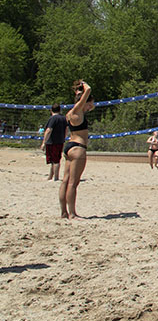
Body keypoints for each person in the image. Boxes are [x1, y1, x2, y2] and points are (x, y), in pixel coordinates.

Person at [59, 80, 95, 219]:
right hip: (78, 148)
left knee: (65, 181)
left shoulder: (70, 113)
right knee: (73, 183)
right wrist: (84, 84)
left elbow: (89, 106)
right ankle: (73, 213)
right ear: (83, 101)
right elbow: (89, 90)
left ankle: (64, 212)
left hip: (69, 146)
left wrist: (78, 92)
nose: (91, 106)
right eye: (89, 103)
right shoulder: (78, 110)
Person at [41, 103, 67, 181]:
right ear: (60, 110)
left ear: (51, 110)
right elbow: (66, 130)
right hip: (60, 141)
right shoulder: (64, 118)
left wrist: (44, 142)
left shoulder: (53, 118)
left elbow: (49, 130)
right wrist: (64, 138)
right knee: (54, 160)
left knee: (55, 160)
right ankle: (50, 176)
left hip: (52, 142)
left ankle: (56, 177)